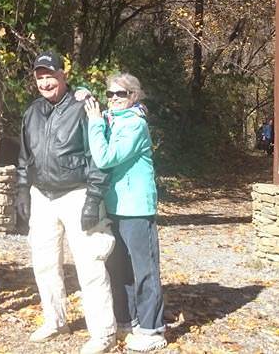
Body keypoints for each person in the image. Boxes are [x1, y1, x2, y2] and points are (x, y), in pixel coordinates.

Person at [16, 52, 116, 354]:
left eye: (51, 75)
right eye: (40, 76)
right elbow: (24, 158)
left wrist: (94, 198)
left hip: (77, 193)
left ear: (63, 75)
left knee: (90, 264)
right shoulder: (32, 112)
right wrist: (22, 190)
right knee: (44, 263)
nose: (46, 81)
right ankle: (55, 319)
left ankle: (103, 333)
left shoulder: (83, 106)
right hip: (42, 195)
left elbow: (98, 156)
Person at [84, 73, 167, 352]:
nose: (114, 99)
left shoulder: (134, 125)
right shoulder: (111, 119)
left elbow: (106, 157)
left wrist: (95, 123)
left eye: (121, 94)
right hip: (115, 206)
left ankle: (153, 328)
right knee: (119, 267)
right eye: (110, 94)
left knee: (144, 269)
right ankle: (128, 320)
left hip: (136, 207)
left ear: (133, 96)